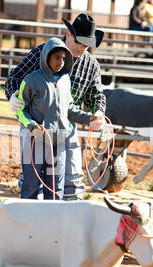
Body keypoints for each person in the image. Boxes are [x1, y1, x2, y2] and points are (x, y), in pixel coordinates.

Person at [5, 13, 106, 200]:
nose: (81, 48)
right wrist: (13, 95)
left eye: (85, 45)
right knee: (33, 172)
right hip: (36, 124)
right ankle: (31, 201)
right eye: (78, 42)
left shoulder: (91, 65)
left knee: (72, 174)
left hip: (67, 125)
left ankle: (68, 210)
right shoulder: (42, 53)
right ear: (68, 34)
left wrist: (97, 112)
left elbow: (96, 94)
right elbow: (15, 76)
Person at [17, 37, 95, 200]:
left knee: (55, 189)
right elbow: (21, 111)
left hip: (59, 143)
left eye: (63, 58)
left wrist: (90, 118)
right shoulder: (31, 80)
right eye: (57, 57)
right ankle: (28, 221)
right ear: (47, 58)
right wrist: (32, 126)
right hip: (36, 141)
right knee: (31, 185)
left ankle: (51, 222)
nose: (60, 61)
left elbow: (70, 109)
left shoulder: (65, 81)